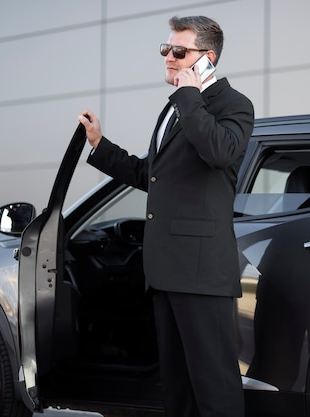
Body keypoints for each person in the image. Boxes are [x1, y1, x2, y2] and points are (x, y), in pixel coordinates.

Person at [78, 15, 255, 417]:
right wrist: (100, 145)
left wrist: (190, 95)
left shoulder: (234, 105)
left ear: (207, 59)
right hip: (165, 271)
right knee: (177, 392)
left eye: (179, 51)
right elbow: (151, 175)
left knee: (215, 391)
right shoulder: (172, 110)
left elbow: (219, 152)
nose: (169, 58)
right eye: (165, 50)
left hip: (202, 273)